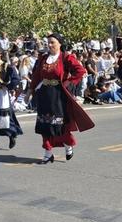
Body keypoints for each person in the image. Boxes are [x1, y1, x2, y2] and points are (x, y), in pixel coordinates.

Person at [29, 33, 95, 164]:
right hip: (44, 94)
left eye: (52, 42)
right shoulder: (43, 58)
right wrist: (30, 90)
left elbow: (80, 71)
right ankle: (48, 153)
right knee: (44, 125)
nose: (50, 45)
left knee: (59, 125)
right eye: (48, 42)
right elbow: (37, 75)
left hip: (58, 95)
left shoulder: (66, 57)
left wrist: (68, 83)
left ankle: (68, 145)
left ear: (59, 43)